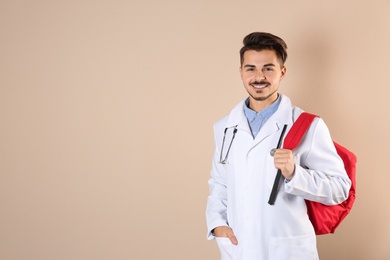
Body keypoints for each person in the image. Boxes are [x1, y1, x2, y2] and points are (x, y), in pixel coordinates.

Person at [205, 32, 351, 260]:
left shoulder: (308, 125)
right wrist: (217, 225)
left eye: (268, 68)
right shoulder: (224, 127)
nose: (259, 76)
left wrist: (295, 174)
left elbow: (340, 188)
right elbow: (219, 183)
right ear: (241, 72)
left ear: (282, 72)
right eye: (251, 68)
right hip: (238, 249)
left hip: (287, 250)